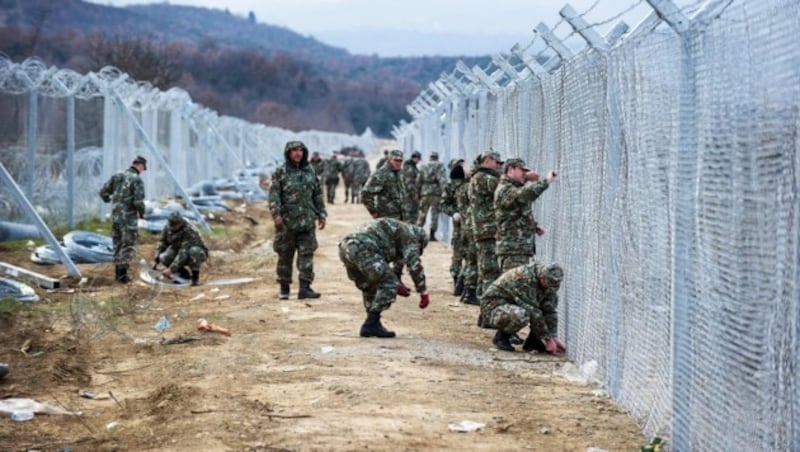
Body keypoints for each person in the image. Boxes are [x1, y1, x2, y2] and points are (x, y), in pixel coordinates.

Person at [338, 218, 430, 338]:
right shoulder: (411, 237)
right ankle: (370, 324)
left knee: (370, 285)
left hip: (346, 248)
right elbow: (414, 265)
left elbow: (395, 263)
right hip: (364, 248)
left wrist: (398, 282)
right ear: (420, 242)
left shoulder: (400, 229)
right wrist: (423, 292)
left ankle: (374, 324)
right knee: (388, 283)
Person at [268, 140, 327, 300]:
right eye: (294, 150)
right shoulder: (281, 171)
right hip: (287, 223)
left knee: (306, 255)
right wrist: (276, 214)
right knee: (285, 256)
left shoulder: (310, 171)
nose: (298, 153)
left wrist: (322, 214)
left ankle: (305, 288)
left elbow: (317, 194)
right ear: (288, 153)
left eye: (300, 150)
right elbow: (274, 195)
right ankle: (284, 288)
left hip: (307, 222)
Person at [479, 262, 566, 354]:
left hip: (512, 305)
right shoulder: (524, 278)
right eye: (549, 284)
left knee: (541, 310)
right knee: (521, 315)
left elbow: (549, 310)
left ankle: (533, 343)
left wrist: (553, 335)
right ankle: (501, 338)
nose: (550, 288)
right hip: (494, 306)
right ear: (542, 277)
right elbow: (533, 311)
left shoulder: (548, 282)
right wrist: (548, 339)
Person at [360, 149, 416, 292]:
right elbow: (366, 193)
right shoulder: (381, 174)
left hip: (401, 219)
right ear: (389, 159)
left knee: (401, 250)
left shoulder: (399, 175)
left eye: (400, 161)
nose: (398, 163)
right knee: (385, 250)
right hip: (386, 220)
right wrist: (374, 211)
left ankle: (396, 279)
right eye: (396, 160)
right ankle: (380, 280)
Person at [494, 158, 557, 272]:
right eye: (522, 170)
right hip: (512, 250)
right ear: (511, 170)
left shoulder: (511, 188)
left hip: (517, 249)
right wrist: (546, 181)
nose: (525, 173)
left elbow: (516, 214)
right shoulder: (505, 189)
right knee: (514, 287)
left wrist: (533, 225)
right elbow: (523, 195)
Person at [99, 155, 147, 283]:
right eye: (143, 168)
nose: (142, 170)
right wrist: (142, 213)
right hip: (128, 219)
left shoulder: (117, 176)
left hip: (116, 217)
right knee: (128, 245)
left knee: (117, 244)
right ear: (140, 166)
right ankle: (122, 276)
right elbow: (138, 202)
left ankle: (117, 275)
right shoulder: (136, 180)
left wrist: (108, 200)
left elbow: (103, 192)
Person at [468, 151, 503, 297]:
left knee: (485, 270)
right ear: (488, 160)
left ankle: (483, 304)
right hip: (488, 230)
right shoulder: (485, 178)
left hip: (483, 229)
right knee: (490, 270)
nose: (499, 167)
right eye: (497, 163)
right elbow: (505, 190)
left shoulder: (477, 177)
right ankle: (488, 306)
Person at [155, 211, 208, 286]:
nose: (173, 227)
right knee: (164, 257)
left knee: (194, 251)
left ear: (181, 223)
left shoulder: (189, 230)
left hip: (195, 252)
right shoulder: (168, 227)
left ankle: (195, 277)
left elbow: (184, 251)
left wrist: (171, 269)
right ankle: (184, 274)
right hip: (178, 250)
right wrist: (158, 254)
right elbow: (163, 241)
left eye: (175, 224)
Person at [439, 158, 467, 296]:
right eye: (459, 165)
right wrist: (453, 213)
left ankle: (465, 282)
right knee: (458, 252)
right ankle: (457, 280)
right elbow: (444, 204)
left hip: (474, 223)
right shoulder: (451, 186)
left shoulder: (471, 183)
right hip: (460, 224)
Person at [416, 151, 447, 241]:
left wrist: (418, 192)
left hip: (425, 192)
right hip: (436, 193)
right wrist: (444, 192)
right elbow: (442, 180)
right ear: (437, 157)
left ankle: (418, 232)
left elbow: (418, 180)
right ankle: (432, 235)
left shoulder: (423, 166)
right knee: (435, 213)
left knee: (422, 213)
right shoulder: (439, 165)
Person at [401, 151, 422, 223]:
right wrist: (415, 195)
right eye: (418, 159)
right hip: (409, 196)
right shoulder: (410, 168)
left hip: (410, 195)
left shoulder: (412, 167)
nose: (418, 161)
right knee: (410, 215)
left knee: (412, 215)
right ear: (414, 158)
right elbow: (409, 184)